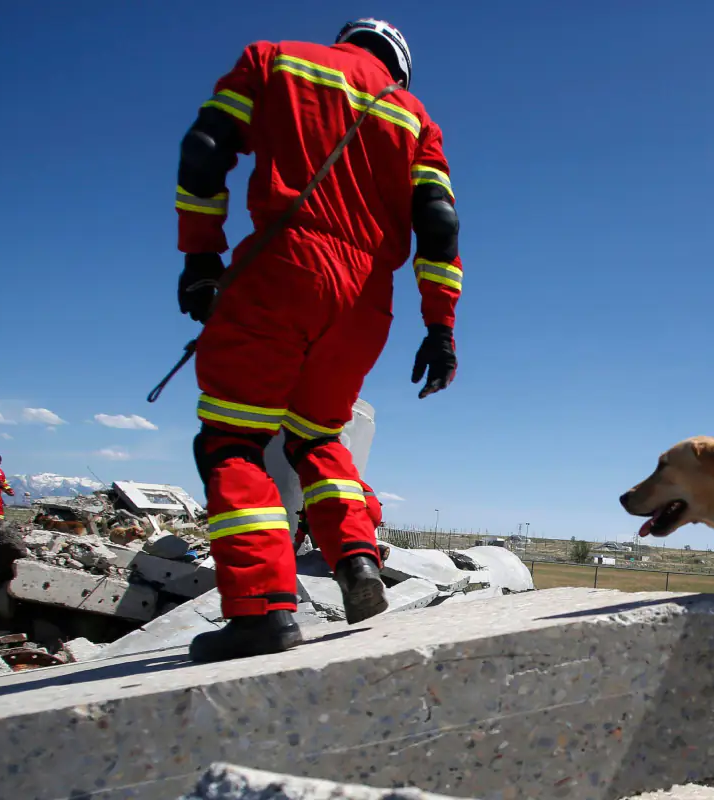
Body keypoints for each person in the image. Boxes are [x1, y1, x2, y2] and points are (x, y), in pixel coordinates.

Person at [174, 18, 464, 662]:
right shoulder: (415, 117)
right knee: (317, 434)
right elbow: (439, 224)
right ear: (399, 67)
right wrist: (440, 327)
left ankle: (260, 613)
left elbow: (204, 151)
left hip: (284, 265)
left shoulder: (273, 59)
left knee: (233, 439)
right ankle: (357, 561)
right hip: (367, 300)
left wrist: (200, 258)